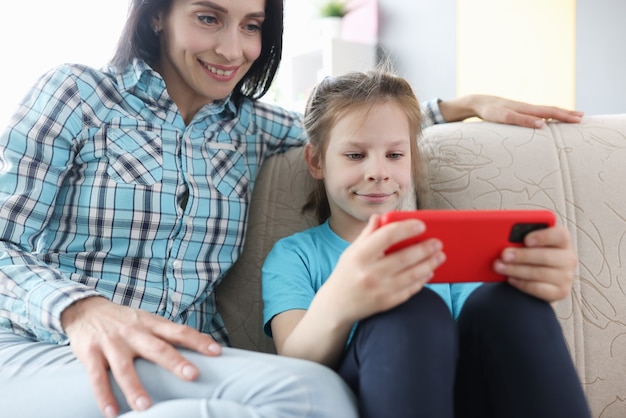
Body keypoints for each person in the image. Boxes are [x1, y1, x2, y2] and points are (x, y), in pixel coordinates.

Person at [0, 0, 583, 417]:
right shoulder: (76, 95)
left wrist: (465, 103)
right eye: (208, 17)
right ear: (157, 14)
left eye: (252, 25)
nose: (233, 49)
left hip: (183, 355)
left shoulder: (247, 126)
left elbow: (355, 132)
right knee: (308, 395)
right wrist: (83, 310)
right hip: (46, 347)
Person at [262, 68, 592, 418]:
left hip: (456, 395)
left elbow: (492, 323)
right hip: (356, 396)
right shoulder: (295, 255)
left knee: (512, 303)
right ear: (317, 161)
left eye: (394, 155)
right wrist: (342, 301)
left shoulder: (442, 246)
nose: (378, 172)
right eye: (355, 155)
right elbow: (294, 360)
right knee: (409, 310)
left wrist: (532, 280)